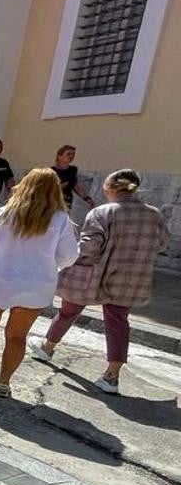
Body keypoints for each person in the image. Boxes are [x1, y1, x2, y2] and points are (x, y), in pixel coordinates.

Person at [30, 169, 169, 395]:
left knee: (68, 311)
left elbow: (89, 247)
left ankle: (47, 347)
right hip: (130, 277)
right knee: (117, 321)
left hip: (94, 276)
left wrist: (66, 257)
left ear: (111, 189)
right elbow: (162, 244)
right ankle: (111, 376)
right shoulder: (154, 214)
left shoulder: (102, 212)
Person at [0, 168, 78, 398]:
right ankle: (3, 382)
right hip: (35, 284)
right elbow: (69, 256)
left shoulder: (4, 213)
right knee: (17, 336)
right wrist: (51, 263)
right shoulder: (61, 220)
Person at [53, 145, 95, 211]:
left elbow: (76, 186)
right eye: (68, 154)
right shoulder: (52, 171)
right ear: (59, 156)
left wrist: (87, 198)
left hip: (67, 201)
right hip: (53, 202)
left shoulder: (73, 170)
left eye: (73, 154)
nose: (71, 156)